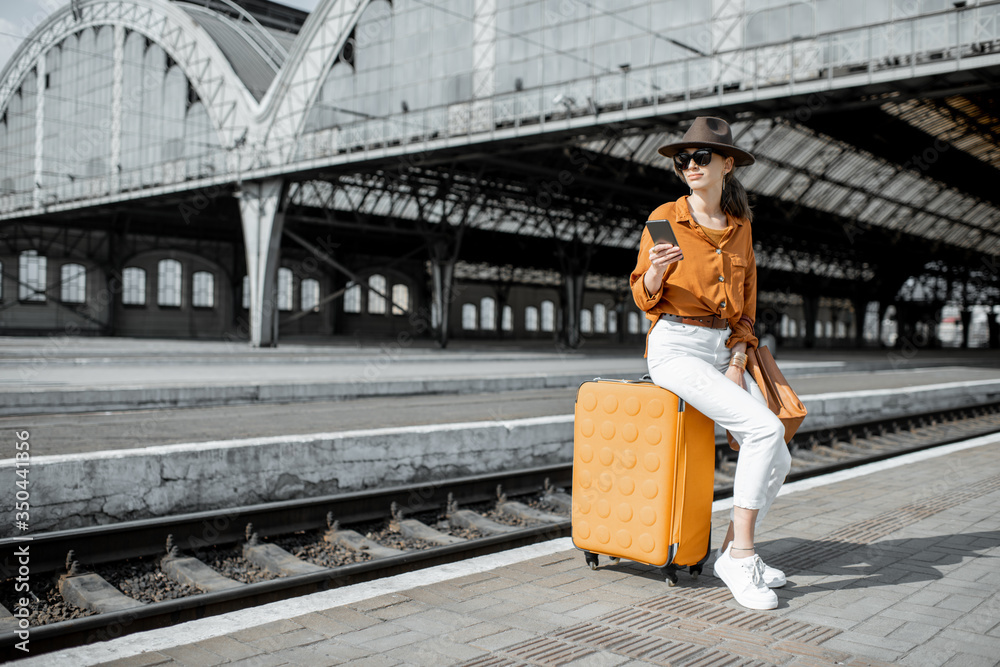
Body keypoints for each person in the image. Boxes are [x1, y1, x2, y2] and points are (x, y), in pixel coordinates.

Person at [629, 116, 791, 610]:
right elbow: (642, 295)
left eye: (702, 157)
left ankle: (729, 549)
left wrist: (739, 360)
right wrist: (655, 271)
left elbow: (746, 311)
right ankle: (742, 556)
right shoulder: (665, 216)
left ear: (726, 164)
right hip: (676, 348)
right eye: (684, 159)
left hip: (724, 352)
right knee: (764, 431)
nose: (691, 165)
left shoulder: (740, 231)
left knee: (778, 451)